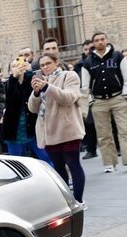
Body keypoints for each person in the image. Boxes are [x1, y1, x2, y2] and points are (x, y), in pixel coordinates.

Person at [77, 32, 127, 173]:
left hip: (118, 98)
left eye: (102, 39)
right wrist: (90, 101)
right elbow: (84, 86)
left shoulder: (118, 56)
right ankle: (109, 163)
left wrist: (126, 95)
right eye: (96, 40)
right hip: (99, 101)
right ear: (93, 43)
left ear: (106, 40)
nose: (100, 42)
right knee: (104, 134)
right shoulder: (88, 62)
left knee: (126, 131)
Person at [28, 52, 86, 203]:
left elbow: (69, 98)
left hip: (67, 130)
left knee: (73, 165)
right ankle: (67, 202)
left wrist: (47, 87)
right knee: (59, 169)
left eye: (48, 63)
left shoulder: (69, 76)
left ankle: (78, 200)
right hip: (48, 133)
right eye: (42, 65)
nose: (45, 67)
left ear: (57, 62)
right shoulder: (40, 80)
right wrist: (35, 92)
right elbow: (32, 108)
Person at [2, 55, 52, 165]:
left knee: (45, 156)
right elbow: (10, 98)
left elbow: (36, 90)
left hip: (32, 126)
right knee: (17, 162)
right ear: (10, 71)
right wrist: (14, 77)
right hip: (14, 130)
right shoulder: (8, 84)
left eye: (19, 65)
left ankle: (57, 177)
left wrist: (29, 70)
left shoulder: (30, 79)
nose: (17, 68)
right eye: (14, 66)